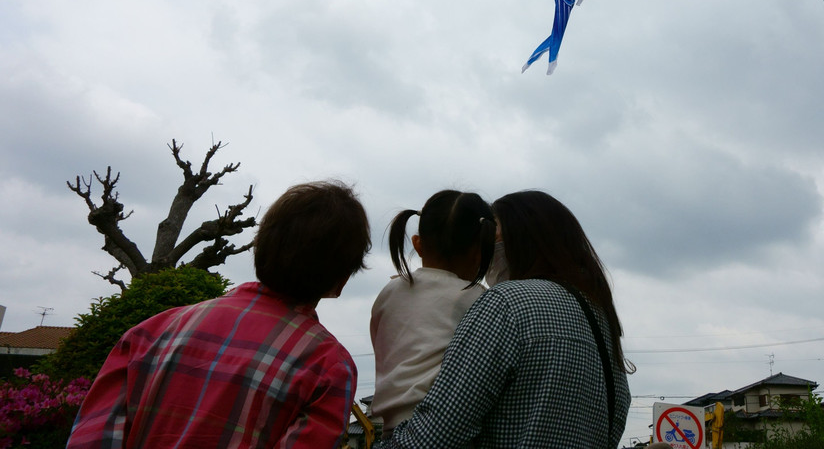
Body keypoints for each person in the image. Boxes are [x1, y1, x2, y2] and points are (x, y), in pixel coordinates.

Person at [66, 180, 373, 449]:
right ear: (341, 281)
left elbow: (91, 437)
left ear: (260, 246)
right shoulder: (328, 366)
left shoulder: (148, 333)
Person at [378, 190, 632, 449]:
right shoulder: (604, 324)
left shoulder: (506, 303)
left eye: (491, 239)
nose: (484, 253)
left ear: (521, 241)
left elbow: (439, 433)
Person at [370, 190, 496, 435]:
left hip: (388, 428)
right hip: (439, 423)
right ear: (479, 250)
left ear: (418, 244)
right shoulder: (476, 297)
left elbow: (382, 343)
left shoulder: (389, 291)